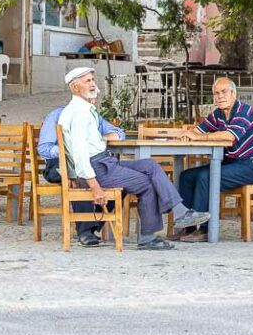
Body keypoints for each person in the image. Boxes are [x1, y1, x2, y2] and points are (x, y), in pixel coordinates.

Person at [58, 67, 209, 250]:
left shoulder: (79, 110)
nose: (93, 84)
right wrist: (95, 187)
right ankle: (147, 238)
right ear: (75, 88)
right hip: (98, 167)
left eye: (92, 80)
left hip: (104, 162)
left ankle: (180, 212)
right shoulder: (80, 113)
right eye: (87, 81)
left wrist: (103, 138)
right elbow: (80, 154)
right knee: (146, 183)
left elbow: (84, 144)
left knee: (149, 165)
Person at [177, 77, 253, 242]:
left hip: (252, 166)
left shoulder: (244, 111)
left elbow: (230, 136)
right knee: (186, 176)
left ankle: (204, 230)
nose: (220, 96)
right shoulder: (217, 114)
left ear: (234, 94)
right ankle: (188, 228)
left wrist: (199, 137)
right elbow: (198, 130)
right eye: (216, 93)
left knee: (206, 177)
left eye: (224, 92)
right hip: (230, 164)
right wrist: (189, 135)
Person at [38, 98, 125, 247]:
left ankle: (92, 226)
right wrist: (70, 151)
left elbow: (119, 133)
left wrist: (97, 140)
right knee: (79, 174)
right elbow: (44, 148)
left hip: (90, 160)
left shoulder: (92, 115)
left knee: (119, 179)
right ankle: (85, 231)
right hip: (59, 162)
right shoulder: (57, 115)